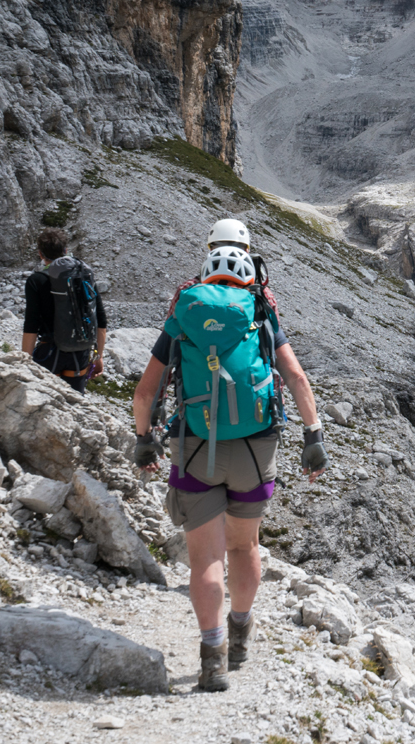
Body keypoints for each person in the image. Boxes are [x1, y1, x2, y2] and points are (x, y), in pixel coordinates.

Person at [132, 239, 328, 694]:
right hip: (255, 450)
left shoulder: (184, 313)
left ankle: (212, 657)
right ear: (249, 276)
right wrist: (313, 435)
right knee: (244, 546)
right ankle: (240, 632)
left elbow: (145, 392)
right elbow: (296, 377)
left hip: (195, 445)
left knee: (205, 558)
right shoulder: (260, 311)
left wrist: (144, 441)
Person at [20, 228, 107, 390]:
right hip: (80, 352)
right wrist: (98, 357)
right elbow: (100, 320)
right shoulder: (83, 276)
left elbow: (31, 324)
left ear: (40, 254)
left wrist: (25, 361)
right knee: (74, 401)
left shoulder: (36, 281)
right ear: (65, 250)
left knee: (45, 398)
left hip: (49, 352)